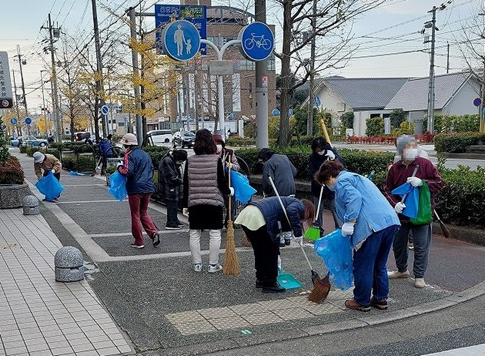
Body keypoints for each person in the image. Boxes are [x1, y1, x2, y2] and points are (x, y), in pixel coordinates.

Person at [315, 160, 400, 311]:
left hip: (372, 227)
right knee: (379, 264)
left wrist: (350, 221)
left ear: (329, 177)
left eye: (326, 182)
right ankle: (381, 298)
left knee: (363, 265)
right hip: (390, 222)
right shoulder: (357, 178)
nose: (328, 186)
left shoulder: (341, 181)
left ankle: (361, 300)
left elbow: (354, 198)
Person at [384, 134, 445, 289]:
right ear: (401, 151)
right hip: (401, 215)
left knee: (421, 246)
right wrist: (395, 204)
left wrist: (422, 183)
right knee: (398, 245)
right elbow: (387, 189)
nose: (411, 150)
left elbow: (439, 183)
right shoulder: (395, 168)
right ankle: (402, 270)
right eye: (407, 147)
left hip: (421, 214)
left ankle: (419, 275)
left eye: (412, 146)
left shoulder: (425, 164)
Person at [235, 197, 315, 293]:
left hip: (248, 214)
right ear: (308, 210)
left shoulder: (287, 202)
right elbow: (291, 210)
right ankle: (269, 283)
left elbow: (279, 227)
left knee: (260, 251)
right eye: (308, 217)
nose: (304, 220)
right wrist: (298, 233)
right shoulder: (299, 204)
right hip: (259, 216)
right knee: (270, 252)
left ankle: (261, 279)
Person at [182, 129, 233, 273]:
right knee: (215, 233)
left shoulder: (190, 161)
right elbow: (221, 182)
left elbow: (186, 184)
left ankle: (197, 265)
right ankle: (213, 265)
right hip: (213, 202)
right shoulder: (215, 160)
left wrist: (185, 204)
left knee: (194, 233)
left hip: (195, 203)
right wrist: (229, 192)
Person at [117, 133, 161, 249]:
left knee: (135, 214)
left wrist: (119, 168)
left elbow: (128, 171)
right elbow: (151, 169)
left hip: (135, 188)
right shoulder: (145, 154)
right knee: (144, 212)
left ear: (127, 145)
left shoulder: (129, 155)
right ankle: (153, 232)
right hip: (148, 186)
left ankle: (139, 241)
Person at [308, 136, 345, 231]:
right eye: (316, 149)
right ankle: (318, 229)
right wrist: (319, 180)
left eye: (320, 149)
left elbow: (341, 164)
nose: (318, 151)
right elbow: (312, 171)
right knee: (318, 208)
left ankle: (339, 228)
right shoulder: (312, 157)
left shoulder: (330, 152)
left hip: (331, 186)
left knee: (334, 207)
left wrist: (335, 158)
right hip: (318, 187)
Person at [213, 133, 240, 225]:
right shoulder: (209, 154)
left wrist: (231, 165)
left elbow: (237, 167)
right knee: (217, 204)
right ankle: (217, 222)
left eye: (219, 143)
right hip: (214, 183)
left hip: (227, 181)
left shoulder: (229, 153)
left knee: (230, 203)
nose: (217, 145)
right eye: (215, 143)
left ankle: (229, 222)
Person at [159, 149, 187, 230]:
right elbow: (171, 177)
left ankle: (174, 220)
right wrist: (181, 182)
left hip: (172, 187)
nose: (181, 163)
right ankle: (171, 223)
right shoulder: (167, 161)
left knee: (174, 205)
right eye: (181, 161)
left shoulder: (170, 159)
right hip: (169, 187)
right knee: (172, 205)